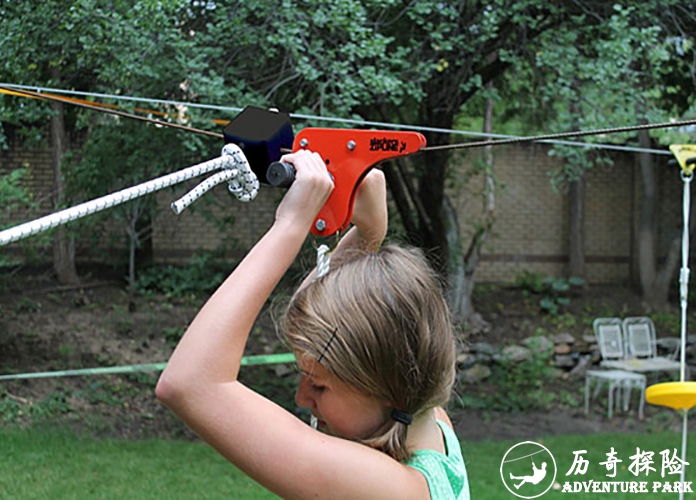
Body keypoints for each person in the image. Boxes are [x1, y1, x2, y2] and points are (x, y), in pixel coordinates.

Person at [156, 149, 470, 499]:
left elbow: (189, 383)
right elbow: (372, 314)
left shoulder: (393, 490)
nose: (301, 397)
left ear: (387, 386)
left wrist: (291, 224)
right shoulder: (431, 424)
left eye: (319, 386)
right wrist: (368, 233)